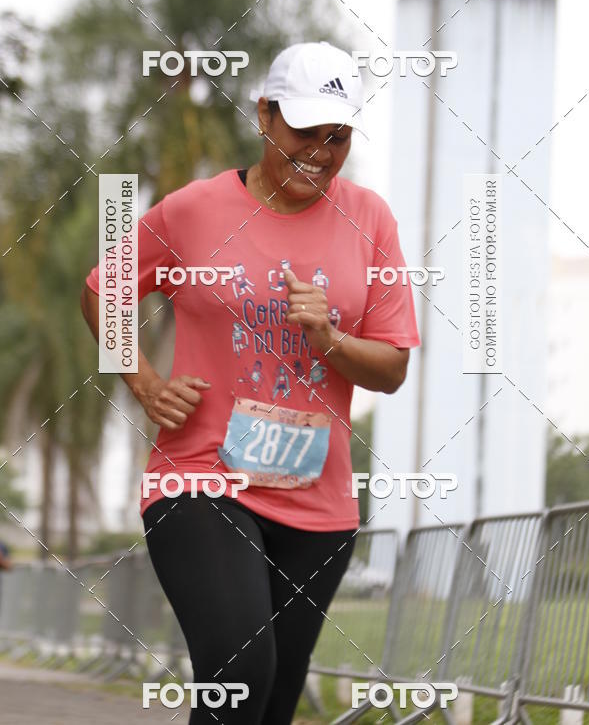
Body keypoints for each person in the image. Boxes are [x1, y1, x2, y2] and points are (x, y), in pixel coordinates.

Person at [81, 41, 420, 724]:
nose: (320, 152)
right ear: (265, 116)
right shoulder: (194, 210)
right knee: (240, 671)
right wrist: (144, 383)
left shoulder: (370, 219)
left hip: (317, 504)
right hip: (201, 478)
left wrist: (330, 338)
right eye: (304, 130)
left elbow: (391, 368)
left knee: (271, 703)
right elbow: (102, 289)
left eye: (338, 137)